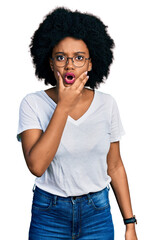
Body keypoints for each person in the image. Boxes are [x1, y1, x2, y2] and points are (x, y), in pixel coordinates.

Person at [17, 7, 138, 240]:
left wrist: (130, 223)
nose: (70, 66)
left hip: (97, 213)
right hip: (49, 214)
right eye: (61, 57)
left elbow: (114, 166)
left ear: (91, 64)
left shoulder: (107, 104)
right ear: (50, 63)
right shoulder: (32, 103)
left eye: (79, 58)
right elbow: (37, 166)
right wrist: (63, 105)